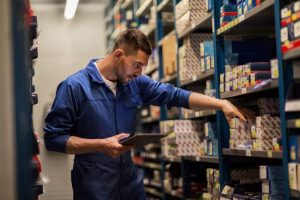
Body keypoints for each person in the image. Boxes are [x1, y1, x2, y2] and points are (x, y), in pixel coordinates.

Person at [44, 29, 246, 200]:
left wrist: (221, 103)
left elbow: (176, 95)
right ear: (118, 55)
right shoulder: (74, 86)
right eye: (137, 64)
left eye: (143, 67)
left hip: (130, 185)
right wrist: (101, 145)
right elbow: (54, 138)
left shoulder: (135, 83)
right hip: (94, 187)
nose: (140, 72)